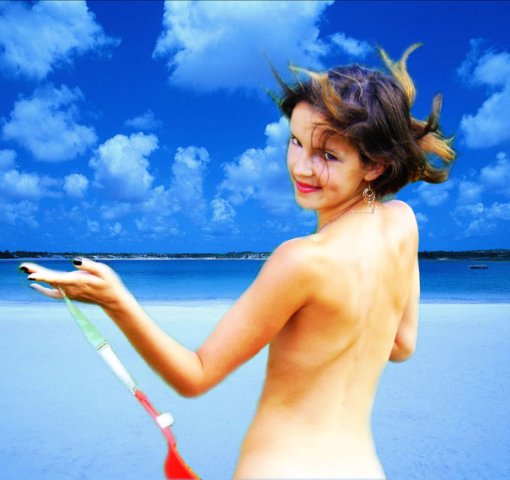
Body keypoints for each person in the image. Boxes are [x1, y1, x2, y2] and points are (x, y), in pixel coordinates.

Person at [20, 44, 455, 479]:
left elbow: (197, 375)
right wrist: (333, 332)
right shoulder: (402, 222)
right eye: (296, 141)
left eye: (327, 155)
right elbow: (401, 345)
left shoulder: (302, 261)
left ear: (375, 166)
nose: (302, 168)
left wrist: (115, 300)